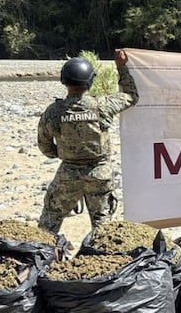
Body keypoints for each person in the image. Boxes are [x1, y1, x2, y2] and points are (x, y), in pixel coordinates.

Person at [37, 49, 139, 232]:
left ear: (64, 81)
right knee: (103, 230)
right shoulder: (103, 105)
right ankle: (101, 258)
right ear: (90, 81)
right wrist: (122, 67)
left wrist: (59, 152)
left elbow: (44, 144)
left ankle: (40, 255)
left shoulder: (54, 111)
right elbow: (131, 96)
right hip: (99, 173)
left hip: (68, 173)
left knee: (48, 224)